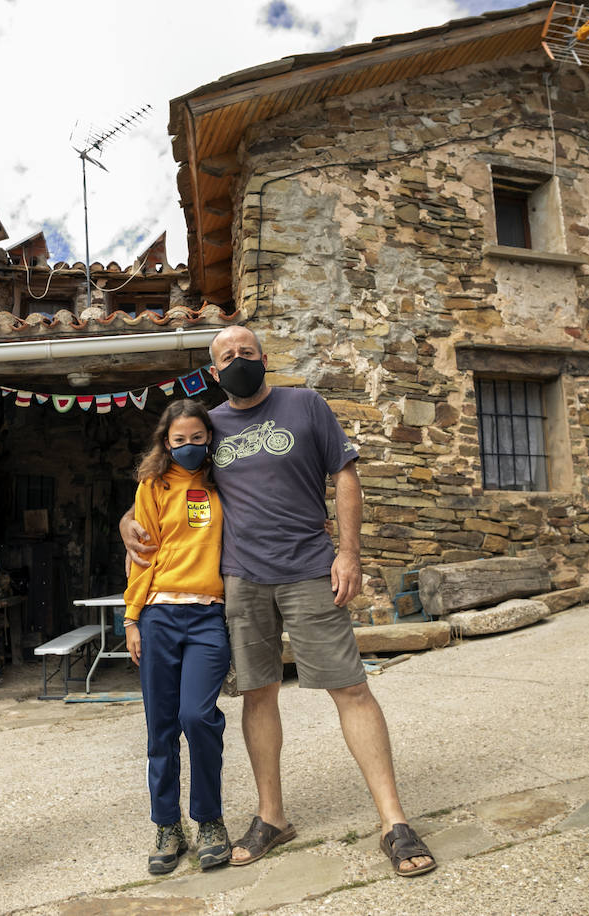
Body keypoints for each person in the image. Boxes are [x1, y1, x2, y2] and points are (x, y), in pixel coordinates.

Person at [121, 327, 436, 878]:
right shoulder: (209, 426)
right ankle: (272, 817)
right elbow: (161, 485)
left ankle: (393, 821)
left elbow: (344, 475)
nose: (238, 361)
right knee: (258, 696)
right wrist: (126, 522)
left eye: (247, 352)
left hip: (310, 569)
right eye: (227, 357)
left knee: (351, 688)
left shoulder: (305, 404)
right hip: (240, 581)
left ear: (265, 358)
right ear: (214, 373)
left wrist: (350, 552)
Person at [123, 399, 233, 875]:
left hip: (209, 616)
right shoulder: (154, 485)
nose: (188, 446)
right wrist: (130, 620)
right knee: (160, 727)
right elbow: (139, 550)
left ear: (209, 437)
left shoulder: (225, 481)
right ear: (166, 443)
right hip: (158, 615)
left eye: (196, 437)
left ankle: (210, 818)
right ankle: (168, 825)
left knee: (198, 716)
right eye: (178, 440)